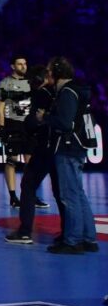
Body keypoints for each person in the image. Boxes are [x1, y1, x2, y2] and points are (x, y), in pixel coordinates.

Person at [41, 57, 98, 255]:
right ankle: (89, 238)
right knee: (79, 193)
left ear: (56, 73)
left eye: (49, 70)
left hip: (68, 147)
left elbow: (65, 123)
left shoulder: (67, 93)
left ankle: (73, 241)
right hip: (78, 147)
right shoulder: (78, 89)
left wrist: (45, 117)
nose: (47, 74)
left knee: (69, 196)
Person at [5, 71, 58, 245]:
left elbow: (34, 122)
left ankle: (25, 232)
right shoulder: (63, 92)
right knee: (61, 191)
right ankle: (71, 234)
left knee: (28, 184)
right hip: (62, 148)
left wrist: (29, 125)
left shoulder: (42, 93)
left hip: (45, 146)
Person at [0, 54, 42, 209]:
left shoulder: (32, 82)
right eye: (20, 64)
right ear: (13, 66)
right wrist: (2, 128)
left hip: (30, 125)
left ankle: (30, 194)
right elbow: (0, 109)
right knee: (12, 160)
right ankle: (13, 197)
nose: (23, 66)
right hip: (13, 124)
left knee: (30, 161)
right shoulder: (5, 84)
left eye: (25, 63)